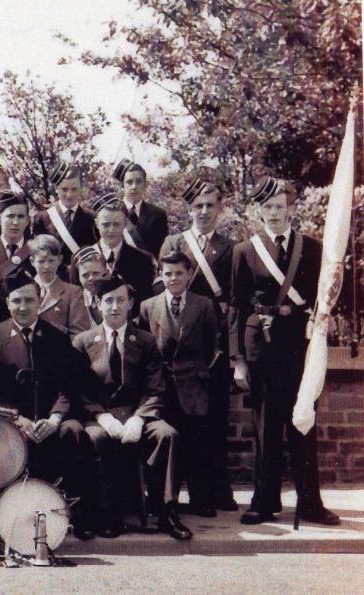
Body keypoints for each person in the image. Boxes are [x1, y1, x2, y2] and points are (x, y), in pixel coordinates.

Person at [231, 177, 339, 526]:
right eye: (268, 207)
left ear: (289, 208)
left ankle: (310, 504)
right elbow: (236, 307)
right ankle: (264, 501)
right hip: (261, 346)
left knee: (303, 422)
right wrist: (238, 360)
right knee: (266, 427)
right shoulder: (245, 251)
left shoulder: (312, 247)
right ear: (258, 211)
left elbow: (324, 295)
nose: (275, 213)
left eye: (280, 206)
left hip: (299, 346)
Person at [72, 274, 191, 540]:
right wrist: (102, 417)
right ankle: (106, 514)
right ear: (97, 305)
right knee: (96, 439)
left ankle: (166, 514)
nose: (114, 307)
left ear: (130, 304)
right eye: (109, 301)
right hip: (99, 418)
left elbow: (156, 388)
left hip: (139, 415)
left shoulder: (146, 341)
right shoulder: (83, 342)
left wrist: (139, 418)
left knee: (167, 435)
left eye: (121, 301)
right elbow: (79, 391)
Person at [0, 264, 95, 539]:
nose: (23, 307)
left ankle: (78, 515)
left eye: (29, 300)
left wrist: (55, 418)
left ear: (40, 301)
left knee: (75, 432)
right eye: (17, 301)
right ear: (8, 304)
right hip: (10, 422)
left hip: (48, 421)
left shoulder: (58, 339)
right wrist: (16, 419)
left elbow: (67, 387)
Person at [160, 177, 238, 511]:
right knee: (178, 422)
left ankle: (215, 491)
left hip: (212, 344)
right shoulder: (174, 241)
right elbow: (160, 289)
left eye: (210, 205)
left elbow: (234, 298)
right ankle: (174, 495)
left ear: (220, 209)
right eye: (198, 206)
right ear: (188, 209)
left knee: (213, 421)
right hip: (179, 344)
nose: (204, 212)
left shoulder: (229, 247)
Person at [139, 251, 221, 517]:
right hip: (161, 387)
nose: (173, 278)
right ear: (160, 276)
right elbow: (142, 347)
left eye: (179, 273)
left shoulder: (204, 305)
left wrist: (198, 374)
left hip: (193, 386)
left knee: (197, 445)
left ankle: (201, 499)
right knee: (166, 445)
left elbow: (212, 345)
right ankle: (165, 501)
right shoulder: (148, 307)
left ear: (188, 275)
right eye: (168, 273)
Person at [89, 193, 155, 312]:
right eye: (106, 224)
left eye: (116, 224)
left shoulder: (142, 260)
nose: (111, 230)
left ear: (125, 224)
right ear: (97, 223)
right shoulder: (82, 258)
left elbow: (145, 305)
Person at [32, 161, 98, 277]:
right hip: (55, 280)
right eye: (64, 189)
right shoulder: (42, 219)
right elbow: (40, 256)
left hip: (84, 279)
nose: (69, 195)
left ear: (80, 189)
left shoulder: (91, 218)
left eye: (74, 189)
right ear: (56, 189)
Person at [30, 234, 91, 337]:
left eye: (51, 261)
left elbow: (79, 335)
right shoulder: (22, 289)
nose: (46, 266)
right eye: (41, 261)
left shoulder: (73, 293)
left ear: (60, 260)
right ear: (32, 261)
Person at [113, 159, 168, 256]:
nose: (134, 186)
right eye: (129, 182)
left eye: (138, 182)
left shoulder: (158, 215)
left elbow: (162, 252)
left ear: (145, 185)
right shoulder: (112, 213)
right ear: (122, 186)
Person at [0, 191, 34, 283]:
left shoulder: (36, 250)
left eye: (21, 217)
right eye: (10, 216)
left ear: (27, 221)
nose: (15, 222)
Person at [72, 245, 111, 327]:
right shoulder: (78, 299)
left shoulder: (115, 293)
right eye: (85, 275)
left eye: (96, 273)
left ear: (106, 273)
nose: (91, 278)